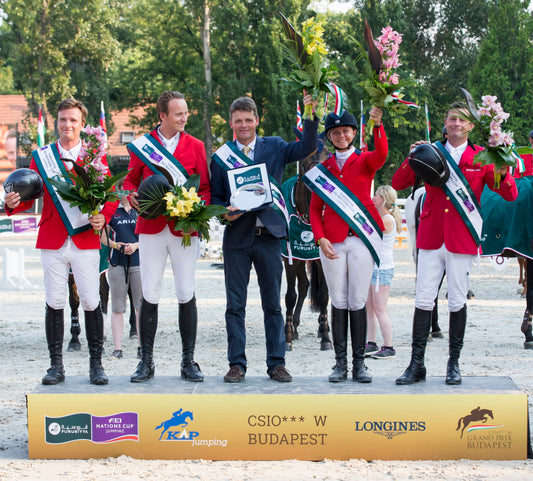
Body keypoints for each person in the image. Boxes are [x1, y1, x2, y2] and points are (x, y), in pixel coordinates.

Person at [392, 101, 518, 385]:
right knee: (423, 299)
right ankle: (416, 364)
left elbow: (509, 194)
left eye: (462, 121)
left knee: (457, 301)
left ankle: (453, 364)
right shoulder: (431, 150)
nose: (456, 124)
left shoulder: (482, 157)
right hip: (431, 236)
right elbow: (399, 181)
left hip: (461, 238)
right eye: (452, 119)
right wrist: (413, 154)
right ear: (445, 123)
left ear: (471, 126)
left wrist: (501, 164)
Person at [4, 98, 117, 385]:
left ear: (82, 124)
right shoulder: (42, 157)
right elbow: (29, 193)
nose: (68, 124)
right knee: (54, 300)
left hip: (85, 238)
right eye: (63, 119)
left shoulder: (95, 155)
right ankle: (56, 365)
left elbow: (111, 196)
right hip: (53, 237)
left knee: (91, 300)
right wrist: (12, 202)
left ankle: (96, 365)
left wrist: (103, 216)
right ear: (57, 121)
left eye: (74, 120)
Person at [210, 92, 318, 383]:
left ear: (257, 120)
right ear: (230, 123)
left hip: (269, 235)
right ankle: (237, 364)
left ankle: (276, 363)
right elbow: (216, 199)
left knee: (272, 303)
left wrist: (310, 111)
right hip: (237, 238)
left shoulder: (275, 146)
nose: (243, 125)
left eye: (248, 119)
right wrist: (226, 214)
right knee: (235, 305)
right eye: (238, 121)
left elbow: (308, 146)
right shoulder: (220, 158)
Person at [124, 90, 210, 383]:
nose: (185, 118)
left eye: (186, 113)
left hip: (184, 229)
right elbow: (130, 181)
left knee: (186, 291)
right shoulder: (142, 146)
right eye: (178, 114)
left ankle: (188, 361)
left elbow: (206, 189)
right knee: (150, 291)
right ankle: (146, 361)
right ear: (162, 116)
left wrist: (194, 209)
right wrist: (131, 196)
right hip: (151, 228)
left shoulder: (196, 146)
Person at [308, 107, 388, 383]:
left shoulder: (365, 161)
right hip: (332, 241)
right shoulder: (323, 170)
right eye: (336, 132)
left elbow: (382, 155)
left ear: (354, 133)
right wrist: (320, 237)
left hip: (361, 238)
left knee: (357, 300)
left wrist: (378, 126)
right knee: (339, 299)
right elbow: (314, 208)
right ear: (330, 136)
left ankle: (359, 364)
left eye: (346, 131)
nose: (341, 135)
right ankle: (340, 364)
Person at [100, 181, 142, 360]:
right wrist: (116, 245)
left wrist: (136, 245)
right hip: (117, 262)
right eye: (125, 190)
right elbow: (102, 237)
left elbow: (149, 235)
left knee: (140, 306)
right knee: (117, 307)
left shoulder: (139, 211)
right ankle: (117, 348)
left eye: (131, 190)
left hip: (139, 262)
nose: (128, 193)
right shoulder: (112, 212)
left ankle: (142, 346)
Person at [365, 185, 402, 359]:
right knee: (370, 307)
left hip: (382, 268)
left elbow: (369, 232)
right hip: (375, 267)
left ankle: (389, 345)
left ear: (383, 200)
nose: (373, 198)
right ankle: (371, 342)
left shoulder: (386, 220)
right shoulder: (383, 217)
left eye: (377, 196)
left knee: (380, 309)